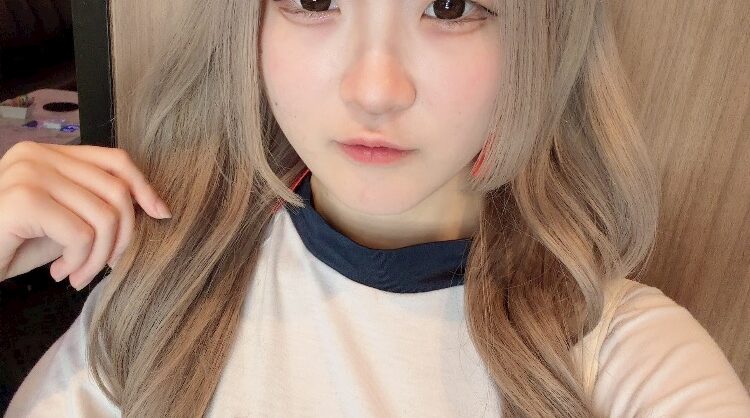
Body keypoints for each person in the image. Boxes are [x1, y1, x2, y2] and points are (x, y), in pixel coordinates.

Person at [2, 0, 749, 416]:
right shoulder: (168, 294)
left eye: (449, 5)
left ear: (537, 38)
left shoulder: (620, 358)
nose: (375, 89)